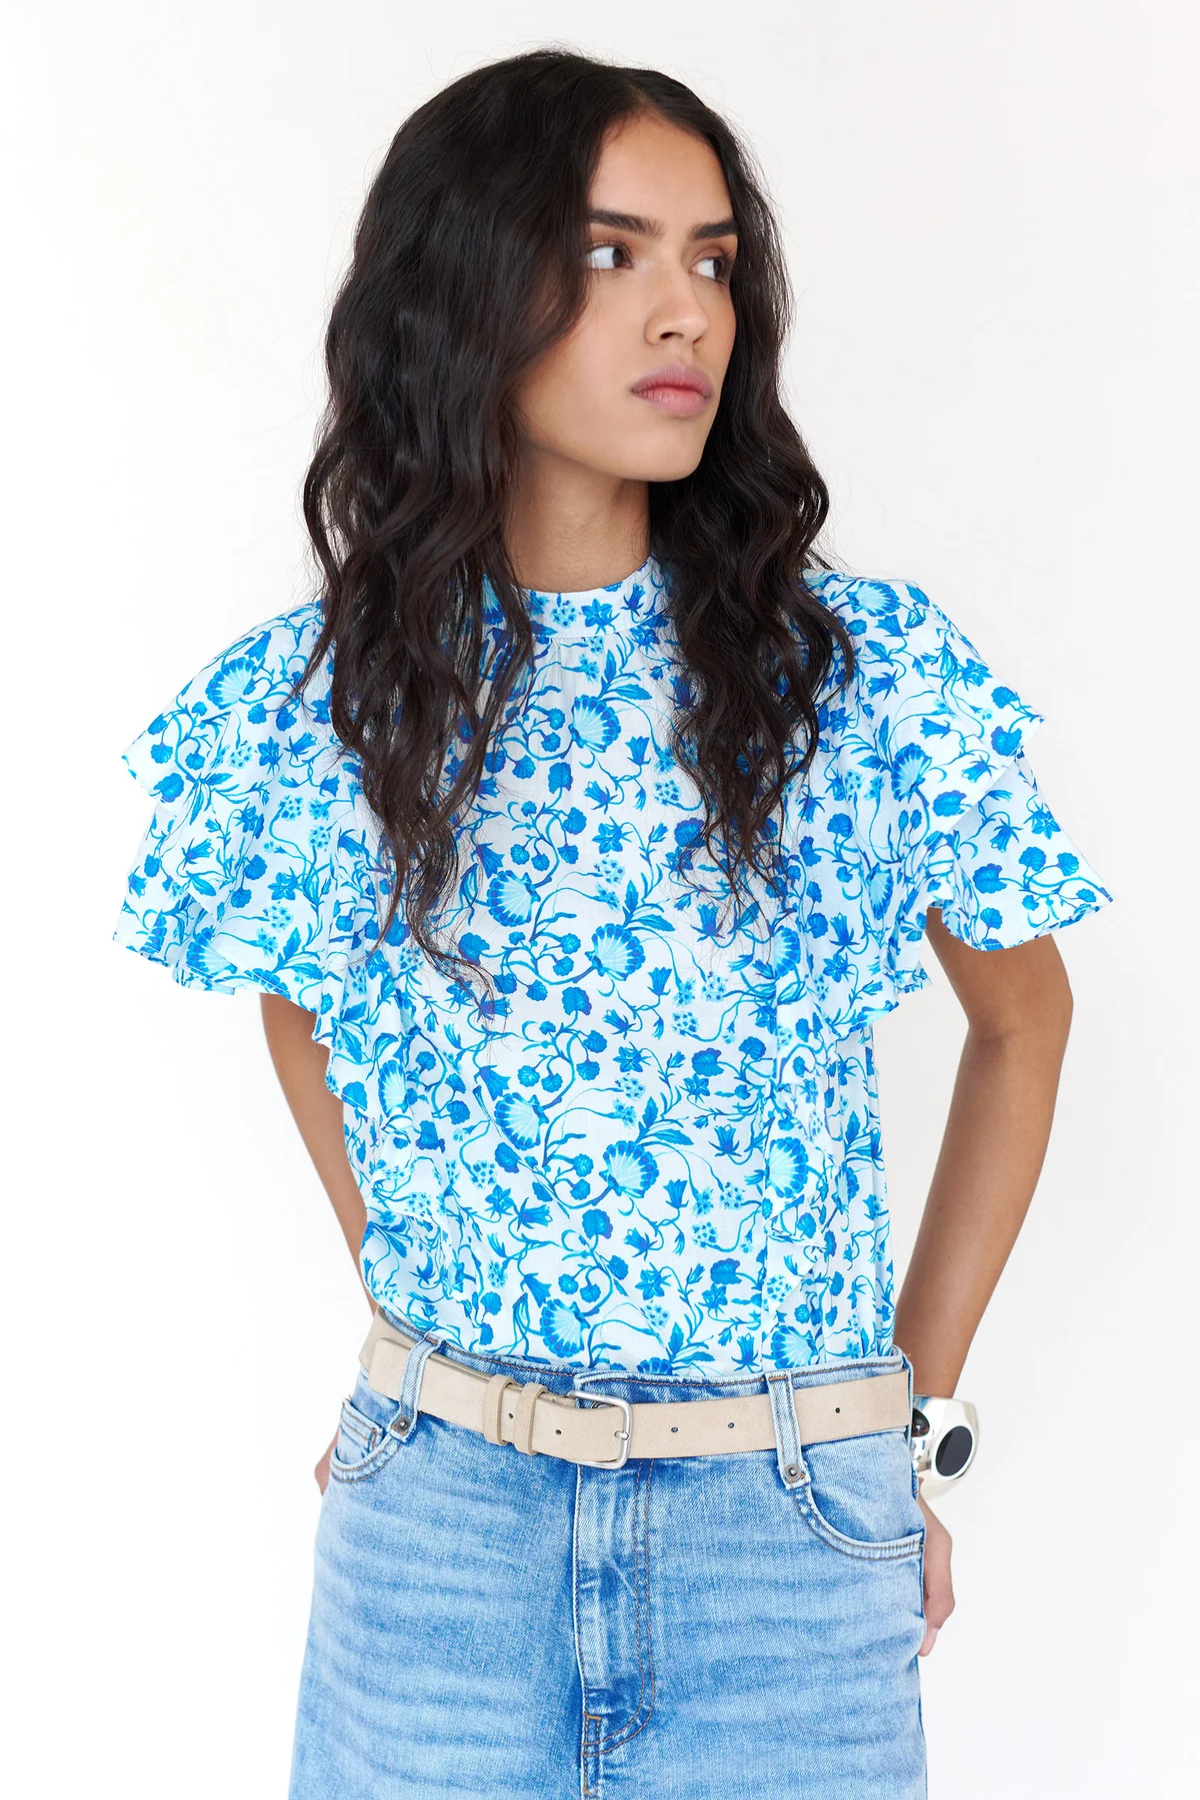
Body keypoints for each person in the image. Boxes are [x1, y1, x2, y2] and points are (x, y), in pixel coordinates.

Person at [112, 47, 1115, 1800]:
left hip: (789, 1539)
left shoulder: (854, 680)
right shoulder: (319, 706)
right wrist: (414, 1269)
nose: (687, 314)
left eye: (713, 261)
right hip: (439, 1534)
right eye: (611, 253)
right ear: (465, 289)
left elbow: (1026, 1016)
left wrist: (909, 1427)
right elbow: (299, 997)